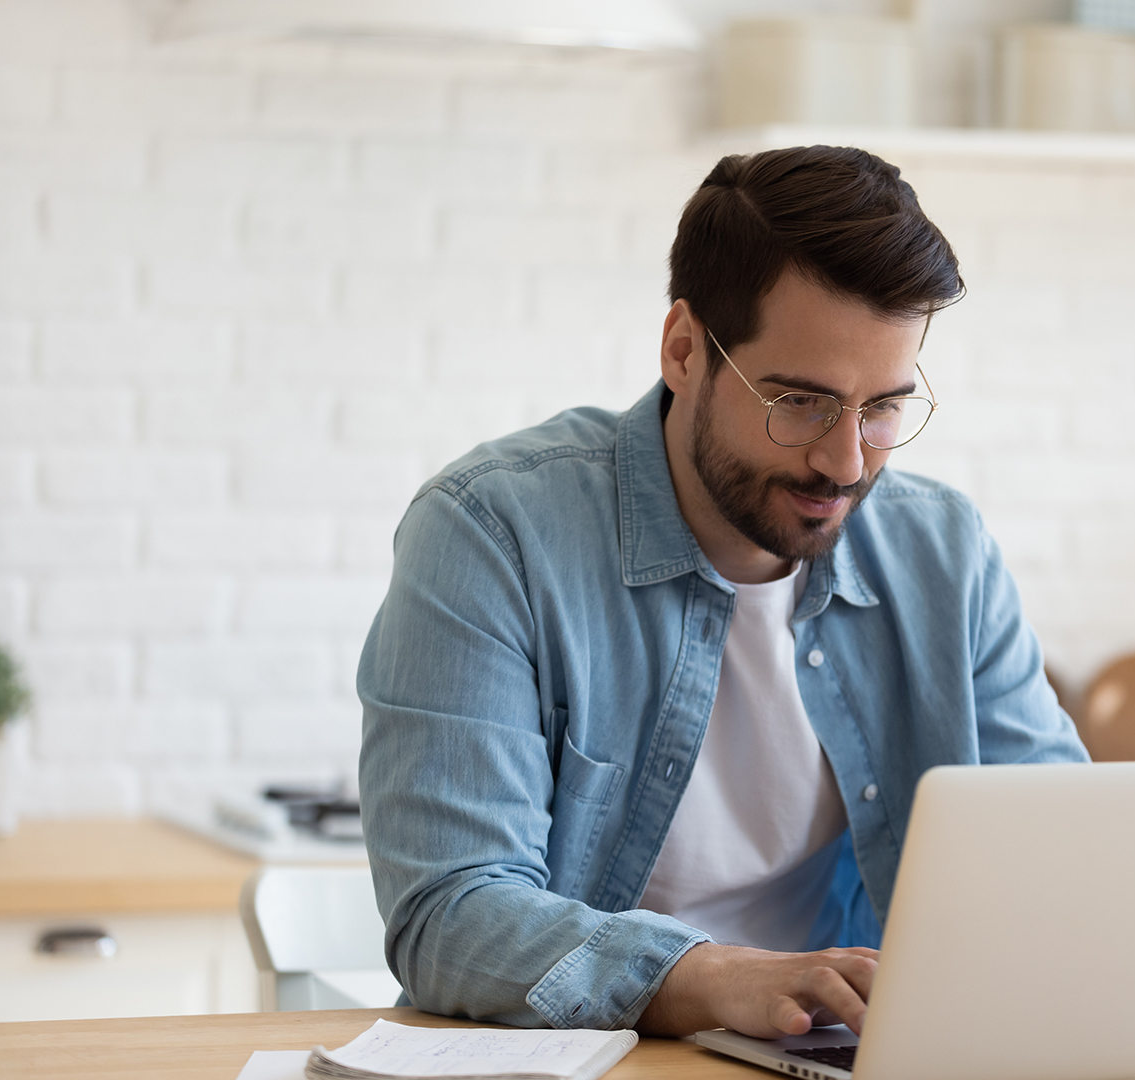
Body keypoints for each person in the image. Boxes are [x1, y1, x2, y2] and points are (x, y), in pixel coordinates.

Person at [357, 144, 1088, 1042]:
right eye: (801, 402)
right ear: (683, 350)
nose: (846, 462)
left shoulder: (945, 552)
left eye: (883, 408)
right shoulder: (492, 533)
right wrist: (715, 978)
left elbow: (1061, 855)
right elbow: (451, 912)